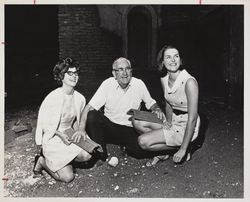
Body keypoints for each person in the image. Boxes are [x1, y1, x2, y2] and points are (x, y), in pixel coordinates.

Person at [80, 57, 165, 162]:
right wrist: (81, 129)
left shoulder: (138, 84)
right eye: (120, 69)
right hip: (110, 127)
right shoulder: (107, 84)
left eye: (127, 68)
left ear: (131, 71)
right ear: (114, 74)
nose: (125, 73)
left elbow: (151, 103)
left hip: (130, 129)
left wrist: (156, 109)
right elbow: (88, 108)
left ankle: (160, 150)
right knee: (92, 115)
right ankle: (100, 155)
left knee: (137, 151)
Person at [133, 45, 200, 166]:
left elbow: (193, 118)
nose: (173, 60)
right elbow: (168, 102)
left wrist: (183, 149)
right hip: (173, 119)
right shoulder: (164, 79)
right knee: (136, 121)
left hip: (187, 124)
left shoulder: (190, 82)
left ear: (180, 60)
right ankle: (164, 152)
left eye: (176, 56)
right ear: (163, 62)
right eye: (168, 57)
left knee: (143, 142)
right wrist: (168, 121)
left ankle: (183, 146)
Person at [33, 58, 92, 182]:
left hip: (69, 134)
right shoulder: (53, 98)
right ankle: (42, 161)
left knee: (87, 154)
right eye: (69, 73)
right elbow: (45, 126)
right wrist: (60, 135)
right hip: (54, 137)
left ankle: (64, 163)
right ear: (61, 76)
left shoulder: (80, 98)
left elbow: (76, 121)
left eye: (75, 73)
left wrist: (80, 134)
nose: (74, 76)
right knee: (67, 178)